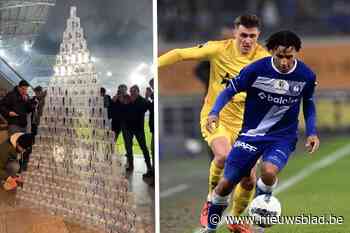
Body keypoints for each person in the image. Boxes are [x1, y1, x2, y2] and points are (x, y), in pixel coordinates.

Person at [158, 14, 270, 230]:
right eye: (243, 35)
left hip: (246, 125)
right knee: (223, 156)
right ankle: (211, 201)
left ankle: (236, 218)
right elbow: (180, 53)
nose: (247, 40)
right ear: (235, 32)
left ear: (258, 36)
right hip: (215, 116)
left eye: (252, 36)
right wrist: (155, 64)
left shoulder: (264, 60)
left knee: (248, 179)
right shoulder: (218, 49)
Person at [203, 30, 320, 232]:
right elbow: (229, 91)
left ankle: (260, 210)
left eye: (289, 57)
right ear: (272, 52)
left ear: (297, 54)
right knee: (225, 186)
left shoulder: (306, 76)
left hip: (282, 137)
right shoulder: (256, 70)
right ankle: (211, 228)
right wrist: (214, 112)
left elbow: (308, 104)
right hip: (251, 135)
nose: (284, 62)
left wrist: (311, 132)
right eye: (280, 56)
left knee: (268, 171)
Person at [124, 85, 153, 175]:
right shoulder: (128, 100)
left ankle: (149, 167)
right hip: (128, 128)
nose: (132, 92)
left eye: (134, 91)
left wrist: (147, 97)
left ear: (138, 91)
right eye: (131, 91)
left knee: (143, 148)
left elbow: (148, 108)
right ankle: (131, 165)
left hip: (138, 129)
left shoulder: (142, 101)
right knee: (128, 148)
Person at [110, 84, 130, 157]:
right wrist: (113, 100)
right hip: (116, 121)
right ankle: (110, 152)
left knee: (127, 139)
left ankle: (128, 153)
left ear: (126, 89)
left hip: (125, 122)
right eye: (120, 88)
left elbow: (126, 105)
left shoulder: (128, 97)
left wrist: (120, 98)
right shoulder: (116, 97)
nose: (121, 90)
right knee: (113, 138)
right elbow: (111, 107)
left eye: (123, 89)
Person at [144, 79, 155, 181]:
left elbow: (152, 107)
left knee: (154, 150)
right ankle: (152, 171)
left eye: (152, 85)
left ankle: (154, 174)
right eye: (151, 85)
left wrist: (149, 96)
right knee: (153, 150)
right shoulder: (153, 96)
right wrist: (148, 97)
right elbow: (148, 107)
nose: (152, 87)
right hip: (153, 128)